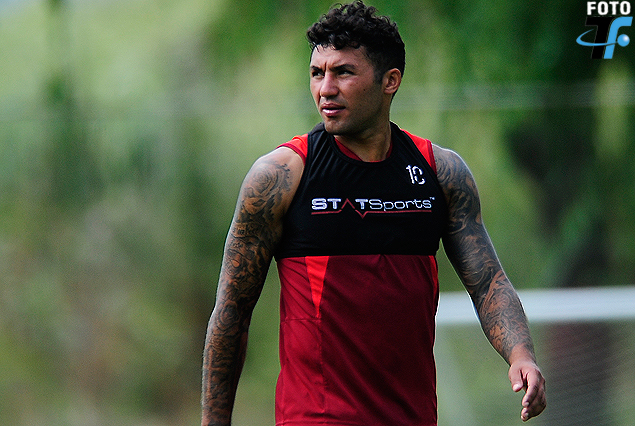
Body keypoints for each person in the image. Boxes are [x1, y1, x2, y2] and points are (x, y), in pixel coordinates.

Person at [201, 2, 547, 425]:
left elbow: (489, 282)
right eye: (317, 73)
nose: (325, 88)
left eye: (343, 72)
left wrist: (521, 355)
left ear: (390, 81)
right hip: (317, 418)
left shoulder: (441, 173)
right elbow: (232, 310)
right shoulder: (280, 177)